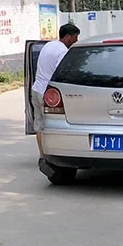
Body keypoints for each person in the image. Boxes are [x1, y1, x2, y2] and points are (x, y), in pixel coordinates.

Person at [31, 22, 80, 152]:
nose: (77, 40)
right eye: (76, 37)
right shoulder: (63, 51)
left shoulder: (49, 45)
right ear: (69, 36)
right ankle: (50, 155)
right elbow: (62, 73)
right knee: (50, 126)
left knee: (39, 126)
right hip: (48, 94)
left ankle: (42, 155)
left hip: (36, 89)